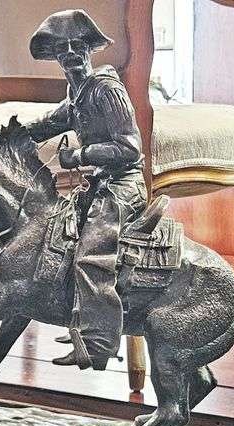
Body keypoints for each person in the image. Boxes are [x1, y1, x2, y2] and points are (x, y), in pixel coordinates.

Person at [26, 10, 148, 370]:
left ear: (89, 49)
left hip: (124, 182)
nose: (70, 53)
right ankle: (83, 322)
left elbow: (130, 148)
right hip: (99, 181)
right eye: (61, 48)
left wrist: (79, 155)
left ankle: (99, 344)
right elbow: (50, 122)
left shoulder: (106, 90)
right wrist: (12, 133)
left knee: (90, 256)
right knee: (64, 242)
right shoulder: (76, 93)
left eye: (77, 45)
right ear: (55, 57)